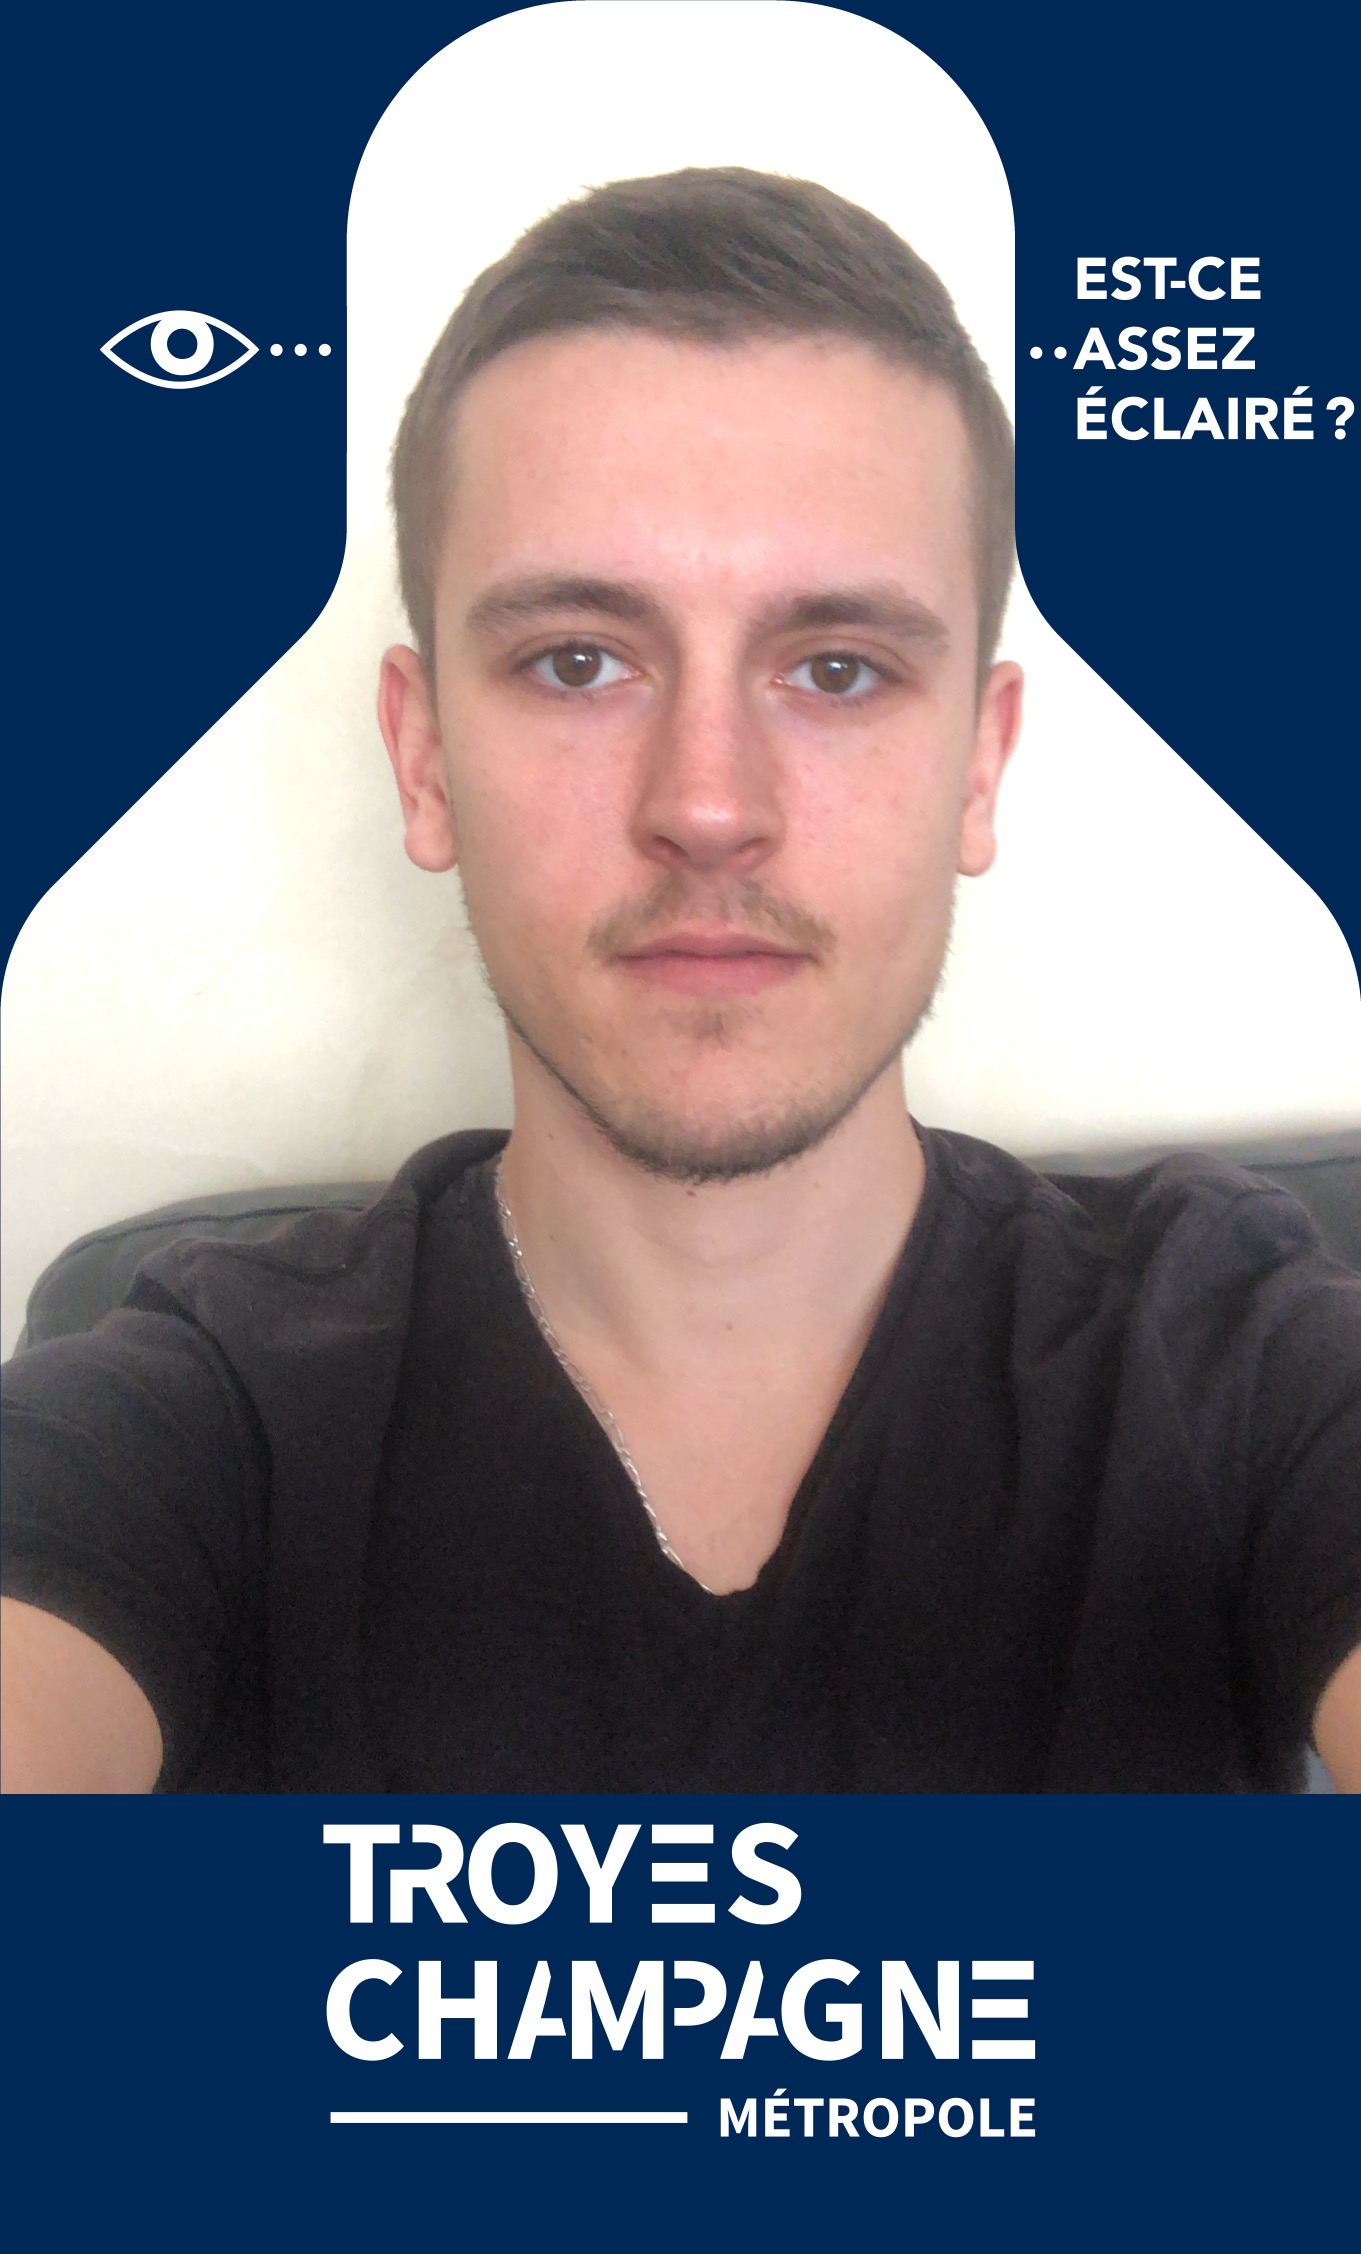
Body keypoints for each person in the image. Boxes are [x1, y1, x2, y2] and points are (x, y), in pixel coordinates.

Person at [3, 169, 1358, 1794]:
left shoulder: (1241, 1363)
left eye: (838, 668)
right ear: (423, 761)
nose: (707, 802)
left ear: (977, 768)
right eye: (576, 660)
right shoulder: (196, 1411)